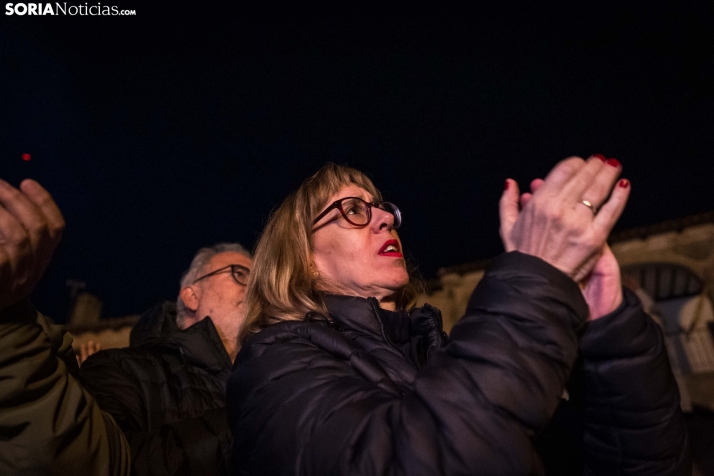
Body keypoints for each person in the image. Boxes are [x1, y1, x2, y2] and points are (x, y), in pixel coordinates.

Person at [226, 160, 690, 475]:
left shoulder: (440, 353)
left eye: (382, 207)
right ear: (303, 259)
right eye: (352, 210)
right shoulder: (272, 364)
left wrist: (609, 329)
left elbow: (643, 462)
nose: (384, 219)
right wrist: (533, 281)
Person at [78, 243, 252, 476]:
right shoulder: (121, 369)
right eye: (239, 274)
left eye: (260, 279)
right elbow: (104, 463)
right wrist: (253, 419)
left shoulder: (266, 378)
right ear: (191, 296)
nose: (256, 287)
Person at [0, 178, 131, 475]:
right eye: (237, 273)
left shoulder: (42, 338)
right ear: (190, 293)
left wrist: (9, 318)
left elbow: (88, 459)